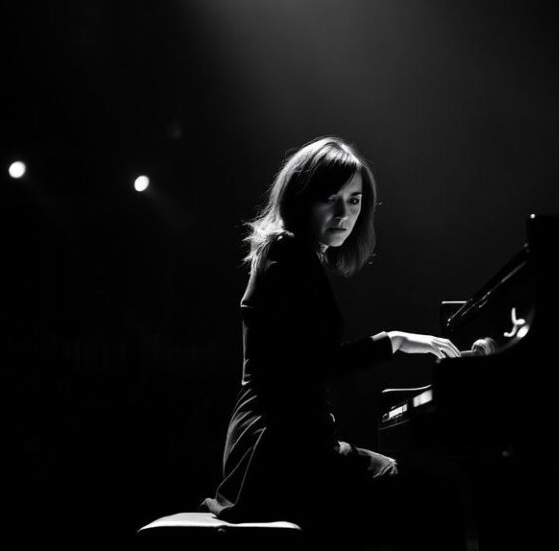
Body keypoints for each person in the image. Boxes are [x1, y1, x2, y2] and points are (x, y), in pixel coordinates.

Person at [200, 136, 466, 547]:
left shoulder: (286, 253)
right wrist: (394, 341)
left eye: (355, 200)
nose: (345, 214)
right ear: (301, 199)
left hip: (275, 444)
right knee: (430, 494)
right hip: (282, 453)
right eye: (331, 198)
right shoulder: (289, 256)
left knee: (409, 496)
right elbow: (314, 366)